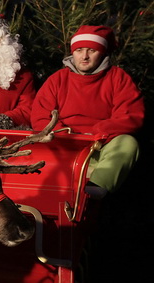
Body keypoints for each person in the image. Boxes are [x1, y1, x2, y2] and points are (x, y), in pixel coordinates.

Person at [31, 25, 144, 198]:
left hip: (101, 144)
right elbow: (40, 115)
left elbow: (131, 115)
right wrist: (66, 135)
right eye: (79, 50)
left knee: (128, 144)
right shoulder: (58, 79)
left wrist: (98, 133)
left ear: (102, 53)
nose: (84, 56)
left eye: (91, 50)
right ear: (72, 53)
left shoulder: (118, 78)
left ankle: (95, 188)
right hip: (63, 144)